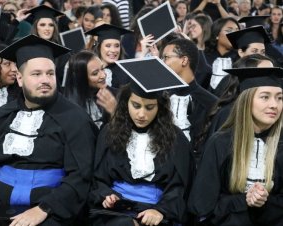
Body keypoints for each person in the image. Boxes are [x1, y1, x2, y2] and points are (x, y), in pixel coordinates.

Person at [0, 35, 96, 226]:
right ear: (19, 78)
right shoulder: (2, 116)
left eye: (50, 73)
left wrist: (44, 209)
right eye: (36, 74)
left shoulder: (76, 119)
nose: (45, 80)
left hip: (51, 212)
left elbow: (81, 176)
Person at [90, 57, 191, 226]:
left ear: (160, 108)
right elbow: (98, 178)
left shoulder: (176, 139)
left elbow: (180, 187)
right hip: (116, 211)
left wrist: (160, 210)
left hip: (157, 210)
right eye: (136, 106)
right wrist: (106, 195)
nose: (141, 114)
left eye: (149, 107)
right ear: (126, 103)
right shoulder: (109, 132)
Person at [189, 65, 283, 226]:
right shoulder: (221, 143)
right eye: (265, 97)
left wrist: (263, 201)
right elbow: (202, 205)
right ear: (246, 101)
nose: (274, 105)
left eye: (280, 98)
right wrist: (244, 200)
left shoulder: (281, 145)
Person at [161, 37, 218, 150]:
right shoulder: (161, 97)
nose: (162, 62)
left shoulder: (211, 103)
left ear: (184, 60)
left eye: (166, 57)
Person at [63, 50, 117, 129]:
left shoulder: (116, 94)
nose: (103, 75)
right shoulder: (70, 105)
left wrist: (114, 112)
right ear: (81, 78)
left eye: (102, 68)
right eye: (95, 73)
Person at [86, 23, 133, 88]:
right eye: (108, 46)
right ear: (99, 47)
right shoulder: (88, 68)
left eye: (117, 46)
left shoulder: (125, 73)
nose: (113, 50)